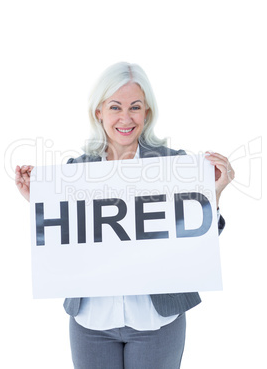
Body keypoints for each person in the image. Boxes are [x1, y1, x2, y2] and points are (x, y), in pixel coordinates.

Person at [15, 62, 234, 369]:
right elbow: (68, 238)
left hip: (157, 319)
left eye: (135, 107)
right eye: (115, 106)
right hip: (92, 323)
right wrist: (39, 203)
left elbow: (195, 239)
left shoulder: (175, 165)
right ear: (99, 113)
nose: (125, 118)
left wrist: (215, 193)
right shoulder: (74, 170)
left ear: (147, 113)